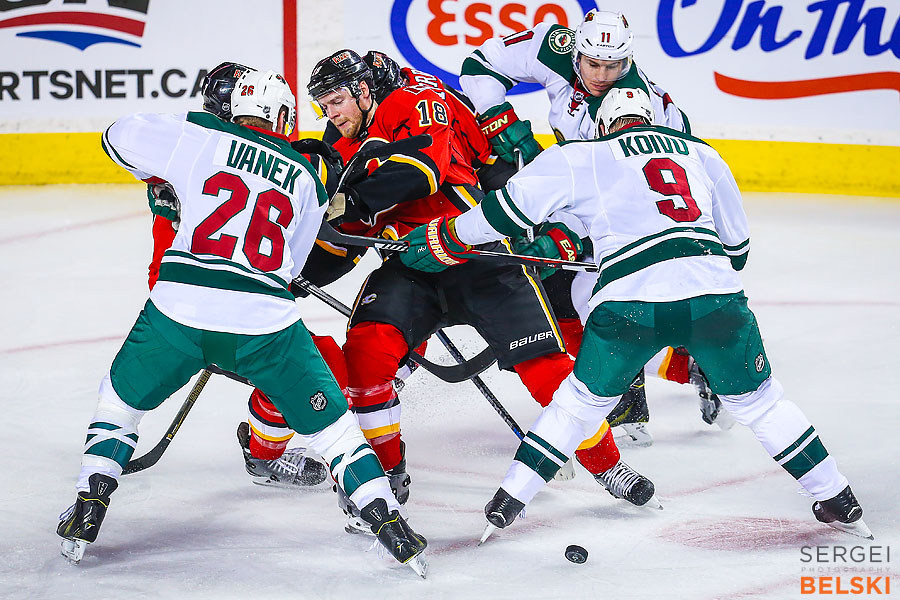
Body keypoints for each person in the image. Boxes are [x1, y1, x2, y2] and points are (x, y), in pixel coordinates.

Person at [399, 88, 871, 543]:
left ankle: (507, 502)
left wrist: (445, 237)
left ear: (602, 123)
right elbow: (738, 249)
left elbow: (505, 211)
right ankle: (836, 497)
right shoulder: (702, 153)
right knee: (762, 404)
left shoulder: (581, 155)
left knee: (578, 406)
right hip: (715, 300)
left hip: (628, 305)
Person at [56, 67, 428, 576]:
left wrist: (163, 172)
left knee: (118, 402)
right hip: (260, 319)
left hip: (178, 311)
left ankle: (91, 493)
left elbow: (117, 136)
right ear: (282, 116)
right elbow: (294, 268)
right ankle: (387, 520)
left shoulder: (195, 140)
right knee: (336, 427)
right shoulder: (302, 171)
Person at [306, 49, 659, 528]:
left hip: (474, 251)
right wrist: (298, 272)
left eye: (336, 101)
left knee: (547, 371)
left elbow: (421, 170)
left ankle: (608, 464)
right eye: (323, 106)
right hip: (408, 264)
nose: (331, 114)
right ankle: (384, 478)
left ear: (366, 89)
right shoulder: (343, 136)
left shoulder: (413, 97)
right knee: (367, 355)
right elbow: (350, 231)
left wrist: (349, 195)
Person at [459, 9, 725, 444]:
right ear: (577, 50)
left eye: (614, 66)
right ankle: (690, 366)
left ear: (628, 61)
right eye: (593, 64)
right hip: (587, 186)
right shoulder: (556, 49)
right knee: (562, 298)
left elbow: (626, 194)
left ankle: (628, 402)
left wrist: (567, 235)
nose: (602, 75)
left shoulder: (636, 107)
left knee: (594, 297)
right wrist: (498, 117)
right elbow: (479, 66)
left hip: (643, 211)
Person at [145, 61, 334, 489]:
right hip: (212, 304)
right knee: (312, 359)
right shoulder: (223, 157)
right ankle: (265, 453)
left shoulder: (197, 151)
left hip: (175, 302)